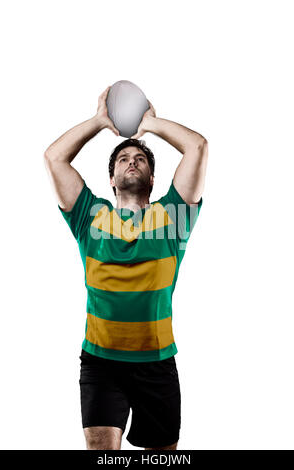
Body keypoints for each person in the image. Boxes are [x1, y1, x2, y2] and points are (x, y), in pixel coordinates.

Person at [44, 86, 208, 450]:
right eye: (122, 159)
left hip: (157, 363)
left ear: (152, 179)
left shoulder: (174, 216)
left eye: (141, 159)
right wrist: (99, 122)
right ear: (112, 180)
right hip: (100, 362)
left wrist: (148, 124)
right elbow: (55, 158)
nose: (132, 160)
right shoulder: (90, 216)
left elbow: (197, 146)